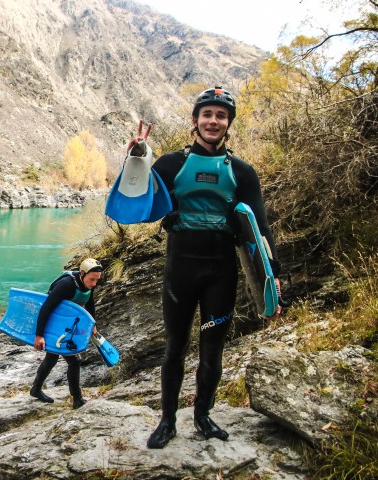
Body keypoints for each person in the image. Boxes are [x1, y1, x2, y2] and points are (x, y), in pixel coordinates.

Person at [124, 86, 282, 448]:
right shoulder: (169, 165)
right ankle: (167, 421)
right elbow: (135, 199)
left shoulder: (242, 172)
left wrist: (275, 276)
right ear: (195, 121)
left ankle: (203, 416)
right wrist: (136, 158)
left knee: (212, 349)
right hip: (181, 269)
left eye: (221, 115)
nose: (213, 121)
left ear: (228, 124)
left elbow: (261, 229)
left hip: (221, 272)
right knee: (175, 347)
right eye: (207, 114)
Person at [30, 258, 103, 409]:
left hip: (64, 323)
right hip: (52, 322)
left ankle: (36, 389)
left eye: (97, 280)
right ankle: (77, 399)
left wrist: (92, 324)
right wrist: (39, 335)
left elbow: (90, 303)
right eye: (92, 279)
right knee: (73, 361)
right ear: (82, 274)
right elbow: (46, 308)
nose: (94, 283)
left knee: (52, 359)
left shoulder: (89, 281)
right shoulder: (66, 286)